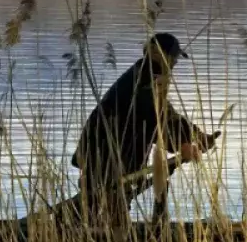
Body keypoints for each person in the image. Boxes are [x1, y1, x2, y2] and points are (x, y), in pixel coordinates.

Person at [71, 32, 218, 227]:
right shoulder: (146, 79)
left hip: (104, 155)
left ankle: (83, 231)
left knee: (104, 209)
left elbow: (165, 113)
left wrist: (196, 134)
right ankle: (91, 237)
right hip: (107, 157)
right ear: (163, 56)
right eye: (174, 58)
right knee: (107, 213)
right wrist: (183, 143)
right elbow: (156, 116)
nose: (175, 63)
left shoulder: (143, 74)